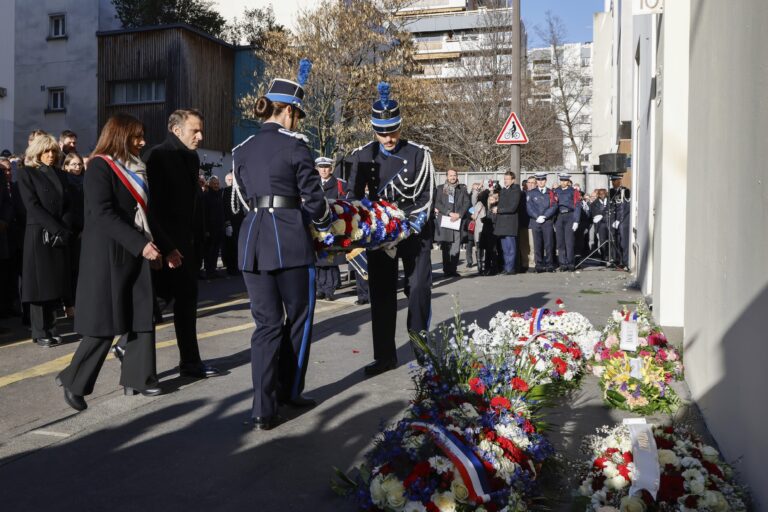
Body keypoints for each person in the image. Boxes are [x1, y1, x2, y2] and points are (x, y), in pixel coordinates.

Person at [233, 61, 331, 430]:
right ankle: (289, 390)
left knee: (265, 326)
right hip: (289, 241)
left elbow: (243, 197)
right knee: (299, 320)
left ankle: (262, 407)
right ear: (288, 110)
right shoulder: (296, 146)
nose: (297, 122)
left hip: (252, 243)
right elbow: (315, 200)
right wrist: (325, 226)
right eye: (297, 115)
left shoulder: (242, 148)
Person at [56, 113, 176, 411]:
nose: (142, 142)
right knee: (105, 323)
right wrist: (141, 245)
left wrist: (168, 247)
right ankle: (74, 380)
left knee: (141, 315)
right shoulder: (100, 166)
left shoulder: (138, 168)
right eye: (137, 137)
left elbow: (145, 214)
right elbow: (102, 213)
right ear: (120, 136)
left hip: (137, 250)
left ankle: (140, 378)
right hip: (109, 254)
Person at [344, 81, 435, 376]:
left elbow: (425, 199)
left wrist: (404, 228)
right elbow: (353, 199)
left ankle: (421, 350)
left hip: (412, 231)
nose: (388, 137)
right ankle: (384, 356)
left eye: (392, 130)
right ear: (374, 129)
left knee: (418, 289)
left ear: (400, 125)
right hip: (379, 236)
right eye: (382, 131)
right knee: (381, 294)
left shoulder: (419, 154)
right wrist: (364, 230)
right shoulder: (362, 155)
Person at [139, 110, 220, 378]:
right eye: (194, 131)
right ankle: (129, 349)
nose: (200, 136)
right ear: (176, 130)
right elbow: (151, 208)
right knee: (157, 301)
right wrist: (164, 245)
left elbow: (192, 202)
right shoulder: (157, 156)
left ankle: (190, 361)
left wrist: (201, 234)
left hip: (187, 242)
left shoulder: (191, 156)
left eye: (200, 130)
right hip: (165, 244)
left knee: (185, 302)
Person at [17, 134, 74, 347]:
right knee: (39, 284)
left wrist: (65, 228)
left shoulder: (60, 174)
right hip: (39, 233)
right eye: (46, 151)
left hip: (59, 233)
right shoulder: (26, 173)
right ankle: (40, 331)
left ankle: (51, 328)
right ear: (37, 152)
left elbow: (68, 203)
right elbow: (32, 205)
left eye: (53, 151)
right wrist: (55, 228)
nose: (51, 155)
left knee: (54, 282)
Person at [315, 156, 346, 301]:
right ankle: (320, 288)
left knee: (331, 259)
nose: (323, 170)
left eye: (326, 167)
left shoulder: (339, 185)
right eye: (321, 167)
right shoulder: (314, 184)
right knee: (318, 258)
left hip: (333, 225)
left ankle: (330, 289)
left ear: (331, 169)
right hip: (316, 225)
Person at [433, 169, 470, 278]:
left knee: (456, 246)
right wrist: (449, 213)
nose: (453, 177)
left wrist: (459, 214)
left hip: (457, 221)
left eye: (454, 175)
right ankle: (446, 270)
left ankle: (453, 270)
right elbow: (437, 204)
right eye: (450, 175)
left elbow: (467, 203)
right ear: (446, 176)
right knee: (446, 247)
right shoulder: (441, 188)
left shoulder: (462, 188)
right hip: (446, 220)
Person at [62, 152, 85, 315]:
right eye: (73, 164)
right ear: (66, 166)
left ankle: (76, 302)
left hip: (83, 229)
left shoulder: (86, 181)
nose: (77, 167)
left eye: (79, 164)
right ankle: (68, 303)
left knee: (78, 268)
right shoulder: (64, 182)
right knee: (68, 269)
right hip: (69, 228)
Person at [526, 173, 558, 273]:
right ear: (537, 181)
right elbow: (529, 207)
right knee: (537, 244)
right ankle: (539, 265)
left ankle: (549, 264)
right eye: (538, 180)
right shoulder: (531, 193)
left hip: (547, 221)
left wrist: (545, 216)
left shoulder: (551, 193)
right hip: (536, 221)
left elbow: (554, 206)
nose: (540, 182)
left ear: (545, 180)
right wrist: (537, 216)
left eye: (542, 180)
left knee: (549, 244)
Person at [492, 171, 521, 275]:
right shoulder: (503, 190)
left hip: (510, 222)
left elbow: (512, 207)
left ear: (513, 180)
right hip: (502, 223)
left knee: (511, 247)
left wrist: (498, 209)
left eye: (507, 179)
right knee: (505, 248)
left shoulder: (516, 190)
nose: (505, 181)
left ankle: (511, 268)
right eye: (504, 179)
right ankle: (506, 267)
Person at [552, 173, 582, 271]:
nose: (563, 182)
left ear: (568, 181)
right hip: (559, 216)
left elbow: (577, 206)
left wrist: (576, 221)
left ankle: (570, 263)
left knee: (569, 241)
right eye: (561, 180)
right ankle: (562, 263)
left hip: (570, 216)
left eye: (565, 180)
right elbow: (552, 206)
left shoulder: (574, 192)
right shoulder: (556, 191)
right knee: (560, 242)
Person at [221, 172, 245, 275]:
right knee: (230, 247)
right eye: (229, 180)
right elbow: (223, 208)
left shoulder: (239, 191)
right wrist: (227, 223)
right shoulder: (224, 192)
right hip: (230, 223)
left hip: (240, 223)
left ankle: (238, 266)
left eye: (233, 180)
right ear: (226, 181)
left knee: (239, 246)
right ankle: (231, 268)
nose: (231, 181)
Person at [203, 175, 225, 278]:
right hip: (210, 229)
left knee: (216, 251)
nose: (216, 186)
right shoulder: (206, 196)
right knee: (209, 251)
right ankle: (209, 271)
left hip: (219, 227)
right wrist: (206, 229)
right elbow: (205, 214)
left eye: (217, 184)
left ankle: (214, 269)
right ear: (210, 185)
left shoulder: (219, 195)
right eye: (214, 184)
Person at [609, 174, 631, 269]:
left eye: (615, 181)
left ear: (620, 180)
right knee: (615, 241)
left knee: (623, 242)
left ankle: (625, 262)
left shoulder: (625, 191)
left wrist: (618, 220)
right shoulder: (611, 192)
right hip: (613, 219)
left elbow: (625, 208)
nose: (614, 183)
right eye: (612, 181)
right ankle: (617, 260)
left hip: (623, 220)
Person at [590, 188, 610, 262]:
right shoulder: (594, 204)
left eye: (603, 194)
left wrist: (602, 215)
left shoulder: (610, 201)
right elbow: (594, 214)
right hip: (601, 225)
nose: (602, 195)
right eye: (600, 194)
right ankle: (603, 258)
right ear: (598, 195)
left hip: (609, 223)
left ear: (606, 194)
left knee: (610, 241)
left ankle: (610, 257)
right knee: (602, 242)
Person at [465, 181, 481, 268]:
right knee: (469, 243)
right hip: (470, 223)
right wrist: (470, 215)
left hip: (479, 223)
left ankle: (479, 260)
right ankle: (469, 261)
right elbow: (466, 208)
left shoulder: (482, 197)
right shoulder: (467, 197)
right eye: (475, 188)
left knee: (478, 243)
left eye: (478, 188)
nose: (476, 190)